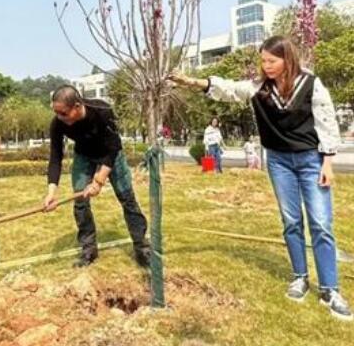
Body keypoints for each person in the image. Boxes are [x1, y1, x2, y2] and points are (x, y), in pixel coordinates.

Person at [168, 35, 352, 321]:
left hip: (310, 160)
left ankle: (330, 289)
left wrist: (327, 162)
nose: (266, 66)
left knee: (320, 223)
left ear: (286, 59)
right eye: (263, 61)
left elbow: (327, 124)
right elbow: (228, 89)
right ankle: (299, 277)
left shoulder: (311, 84)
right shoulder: (259, 90)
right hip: (278, 161)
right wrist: (194, 82)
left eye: (272, 61)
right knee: (291, 222)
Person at [44, 85, 150, 268]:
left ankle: (142, 247)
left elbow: (114, 146)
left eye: (63, 113)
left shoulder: (102, 110)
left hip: (111, 156)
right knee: (80, 202)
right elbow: (56, 156)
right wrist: (51, 192)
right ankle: (88, 248)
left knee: (127, 199)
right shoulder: (58, 123)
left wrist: (99, 180)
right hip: (84, 156)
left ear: (77, 106)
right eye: (56, 113)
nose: (59, 117)